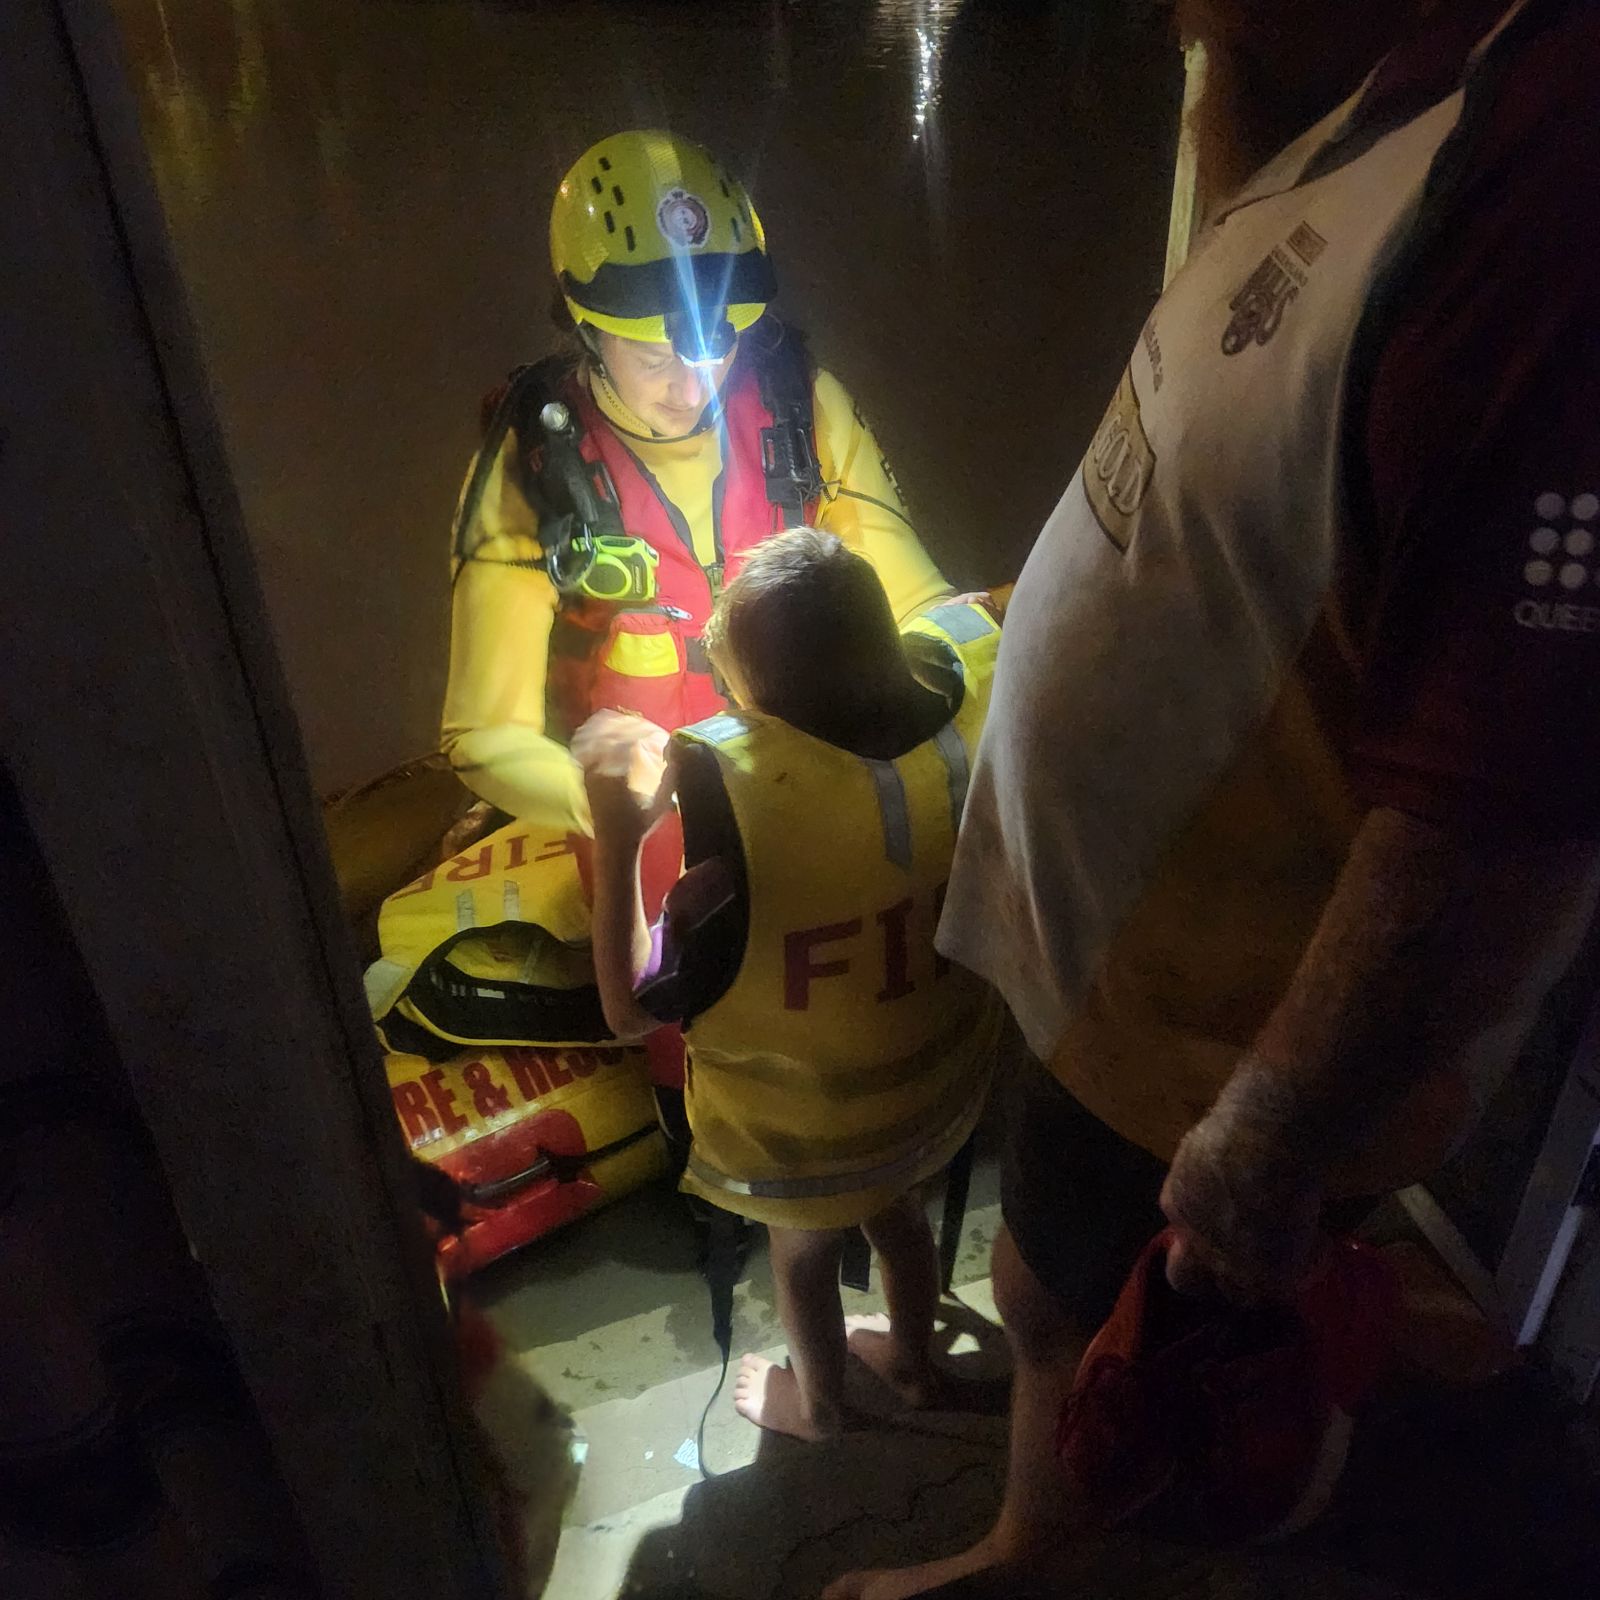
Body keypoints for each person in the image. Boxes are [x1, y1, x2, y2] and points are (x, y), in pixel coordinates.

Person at [829, 0, 1600, 1594]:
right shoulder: (1384, 91)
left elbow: (1506, 792)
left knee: (1129, 1360)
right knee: (1066, 1303)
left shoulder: (1557, 159)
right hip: (1126, 966)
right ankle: (1082, 1523)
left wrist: (1271, 1126)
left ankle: (1115, 1545)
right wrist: (1237, 60)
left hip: (1217, 1030)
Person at [439, 128, 952, 1145]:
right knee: (691, 1040)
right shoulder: (536, 467)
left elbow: (923, 604)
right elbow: (477, 732)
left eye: (717, 335)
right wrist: (606, 804)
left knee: (836, 1011)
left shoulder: (800, 405)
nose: (695, 372)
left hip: (819, 799)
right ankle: (699, 1164)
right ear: (585, 327)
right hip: (659, 830)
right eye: (651, 347)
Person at [573, 530, 1001, 1441]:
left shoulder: (736, 815)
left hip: (802, 1132)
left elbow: (624, 1011)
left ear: (753, 706)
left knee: (804, 1258)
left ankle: (820, 1406)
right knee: (902, 1222)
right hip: (932, 1091)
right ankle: (918, 1368)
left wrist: (618, 837)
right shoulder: (963, 721)